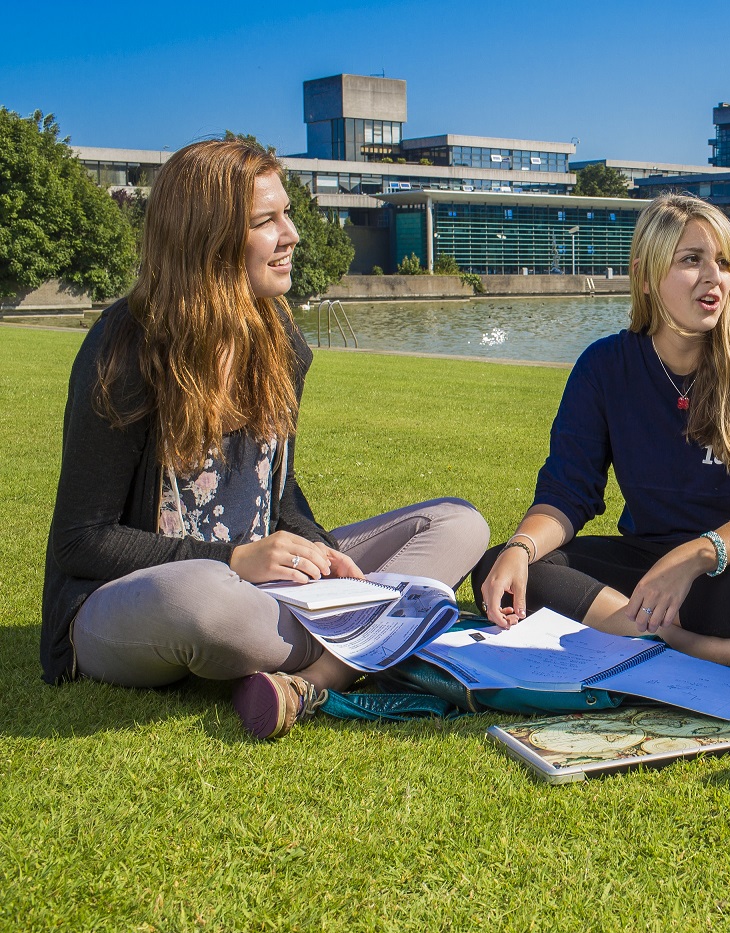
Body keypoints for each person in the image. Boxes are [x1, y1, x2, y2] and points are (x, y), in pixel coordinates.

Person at [42, 140, 489, 738]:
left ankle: (318, 680)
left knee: (460, 525)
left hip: (265, 586)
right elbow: (81, 541)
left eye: (287, 214)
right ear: (207, 237)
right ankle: (391, 631)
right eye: (266, 221)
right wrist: (232, 560)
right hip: (140, 600)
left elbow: (276, 492)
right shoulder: (125, 352)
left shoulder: (280, 339)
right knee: (205, 605)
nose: (293, 234)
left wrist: (321, 550)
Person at [473, 193, 730, 667]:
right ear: (644, 272)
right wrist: (521, 547)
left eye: (723, 262)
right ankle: (708, 647)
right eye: (691, 260)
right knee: (503, 567)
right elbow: (566, 491)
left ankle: (657, 634)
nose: (713, 277)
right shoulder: (604, 366)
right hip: (645, 563)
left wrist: (699, 555)